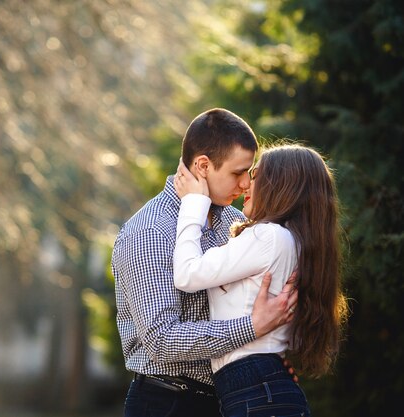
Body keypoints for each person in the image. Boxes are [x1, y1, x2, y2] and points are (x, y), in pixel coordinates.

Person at [111, 108, 298, 417]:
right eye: (237, 173)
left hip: (232, 399)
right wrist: (250, 328)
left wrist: (269, 363)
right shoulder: (149, 232)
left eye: (248, 173)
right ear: (202, 166)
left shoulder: (236, 222)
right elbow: (161, 340)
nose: (246, 185)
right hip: (168, 401)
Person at [173, 143, 349, 416]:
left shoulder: (267, 236)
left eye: (254, 176)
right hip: (263, 386)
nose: (245, 186)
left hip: (257, 389)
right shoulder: (295, 240)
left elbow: (186, 274)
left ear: (279, 186)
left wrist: (193, 204)